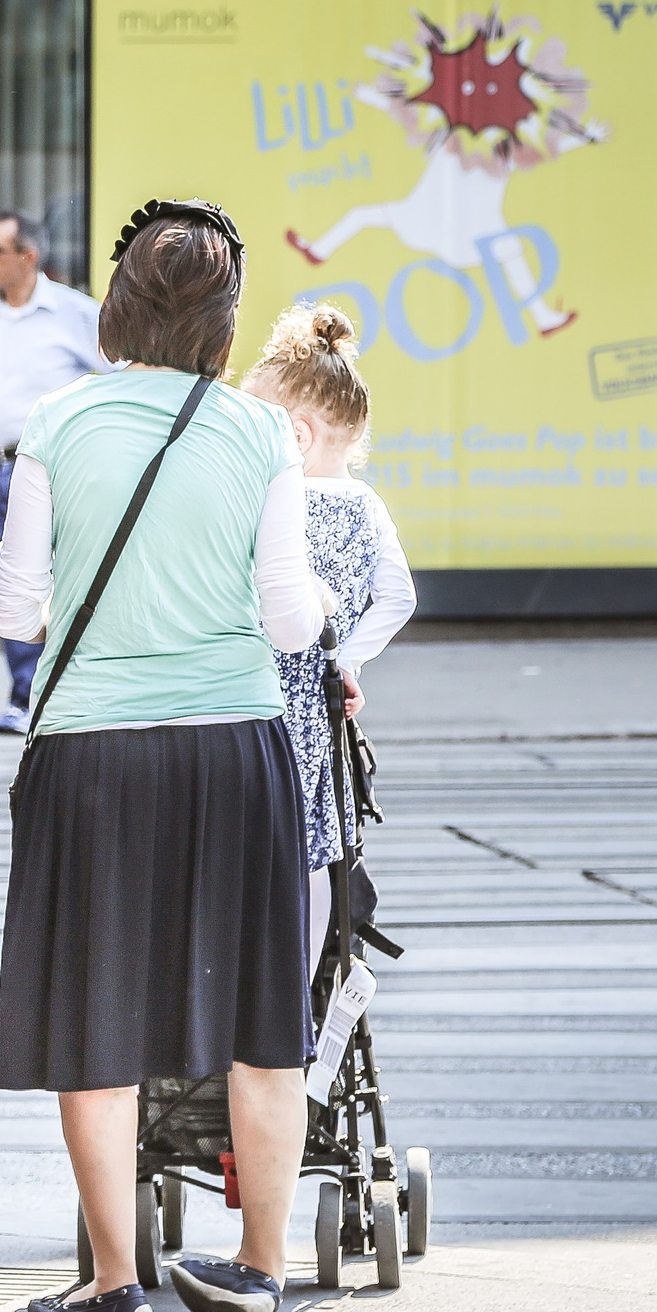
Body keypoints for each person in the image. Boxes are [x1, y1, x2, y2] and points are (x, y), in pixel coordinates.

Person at [0, 200, 329, 1312]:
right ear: (224, 326)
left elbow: (14, 609)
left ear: (115, 308)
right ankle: (258, 1268)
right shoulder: (258, 434)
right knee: (260, 1017)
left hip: (90, 752)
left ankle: (111, 1283)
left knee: (97, 1015)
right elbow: (289, 626)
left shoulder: (58, 421)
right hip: (233, 748)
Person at [242, 304, 416, 977]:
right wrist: (345, 659)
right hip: (316, 703)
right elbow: (399, 597)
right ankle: (298, 984)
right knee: (316, 839)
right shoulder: (367, 505)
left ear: (298, 435)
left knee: (250, 840)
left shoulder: (271, 501)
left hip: (255, 689)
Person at [0, 211, 107, 734]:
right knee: (8, 586)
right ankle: (25, 695)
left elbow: (119, 380)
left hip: (55, 475)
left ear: (28, 257)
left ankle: (63, 692)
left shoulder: (77, 314)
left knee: (64, 582)